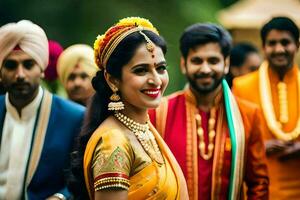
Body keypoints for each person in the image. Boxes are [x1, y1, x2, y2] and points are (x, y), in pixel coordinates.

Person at [68, 17, 189, 200]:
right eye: (141, 70)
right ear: (112, 80)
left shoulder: (143, 129)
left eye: (161, 68)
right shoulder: (113, 143)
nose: (156, 80)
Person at [149, 23, 269, 199]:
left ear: (226, 63)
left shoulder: (247, 114)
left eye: (213, 61)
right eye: (197, 61)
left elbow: (258, 184)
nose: (205, 69)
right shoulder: (159, 113)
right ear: (184, 64)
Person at [0, 20, 85, 199]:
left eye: (28, 65)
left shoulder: (73, 117)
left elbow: (81, 177)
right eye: (10, 65)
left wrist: (60, 197)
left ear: (42, 69)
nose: (20, 75)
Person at [233, 16, 300, 199]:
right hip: (258, 190)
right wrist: (257, 146)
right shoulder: (241, 86)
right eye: (272, 43)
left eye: (286, 42)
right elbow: (228, 138)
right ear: (263, 48)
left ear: (297, 45)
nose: (279, 49)